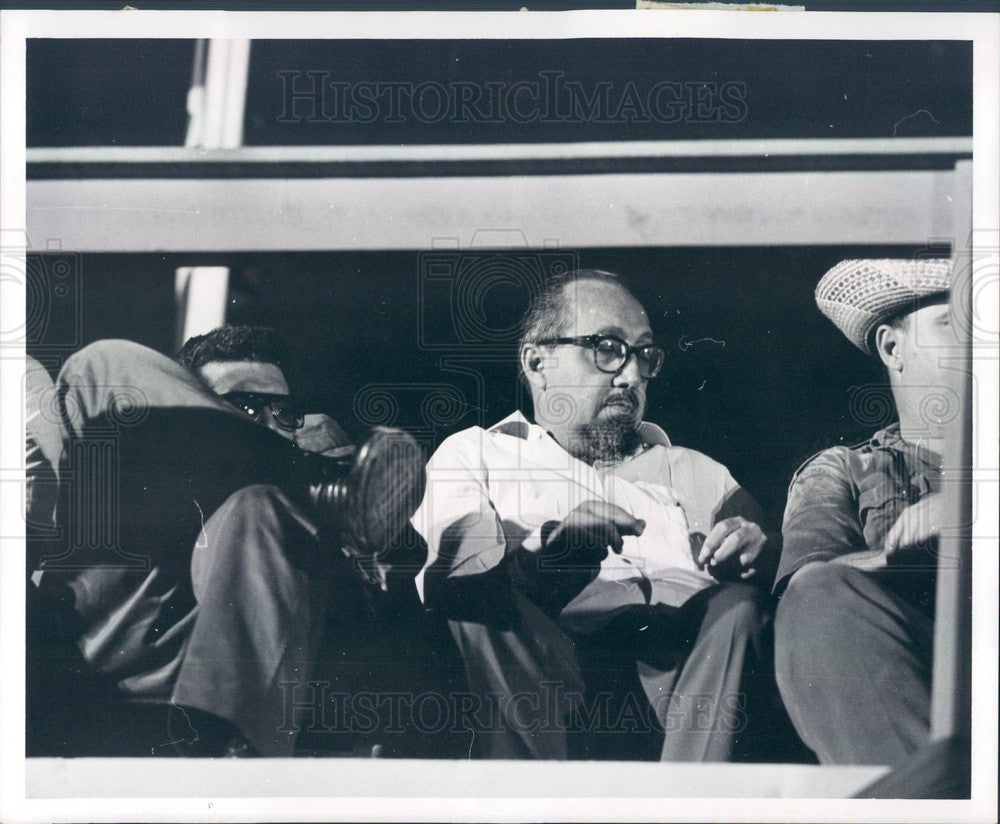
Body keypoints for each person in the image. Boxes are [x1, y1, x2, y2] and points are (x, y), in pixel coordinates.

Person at [412, 269, 777, 761]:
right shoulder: (477, 453)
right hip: (548, 668)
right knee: (483, 602)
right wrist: (551, 551)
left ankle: (692, 808)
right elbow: (452, 579)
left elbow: (774, 560)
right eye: (607, 348)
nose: (631, 376)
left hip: (692, 677)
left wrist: (756, 548)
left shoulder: (697, 471)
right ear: (538, 361)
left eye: (644, 356)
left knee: (740, 607)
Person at [28, 327, 426, 757]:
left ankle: (230, 752)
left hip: (220, 725)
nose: (271, 422)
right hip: (101, 671)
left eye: (284, 411)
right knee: (99, 363)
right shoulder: (130, 477)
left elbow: (395, 579)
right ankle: (304, 476)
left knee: (260, 505)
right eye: (243, 407)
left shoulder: (283, 508)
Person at [774, 258, 957, 766]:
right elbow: (809, 584)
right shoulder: (844, 470)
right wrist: (907, 549)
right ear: (893, 347)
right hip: (913, 677)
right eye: (951, 322)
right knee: (817, 602)